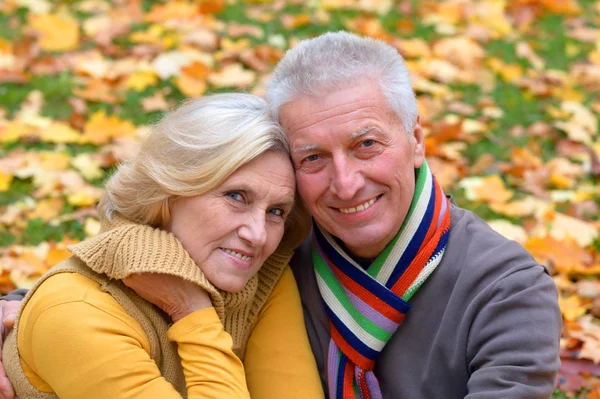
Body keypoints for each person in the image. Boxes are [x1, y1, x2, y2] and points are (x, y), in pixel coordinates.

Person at [0, 31, 561, 399]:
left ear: (416, 140)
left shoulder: (508, 291)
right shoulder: (283, 255)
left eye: (366, 144)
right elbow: (108, 279)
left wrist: (190, 309)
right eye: (313, 157)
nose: (345, 183)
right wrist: (29, 321)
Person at [0, 93, 324, 398]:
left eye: (276, 212)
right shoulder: (76, 309)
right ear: (170, 192)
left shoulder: (258, 276)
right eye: (236, 196)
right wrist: (193, 313)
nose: (258, 235)